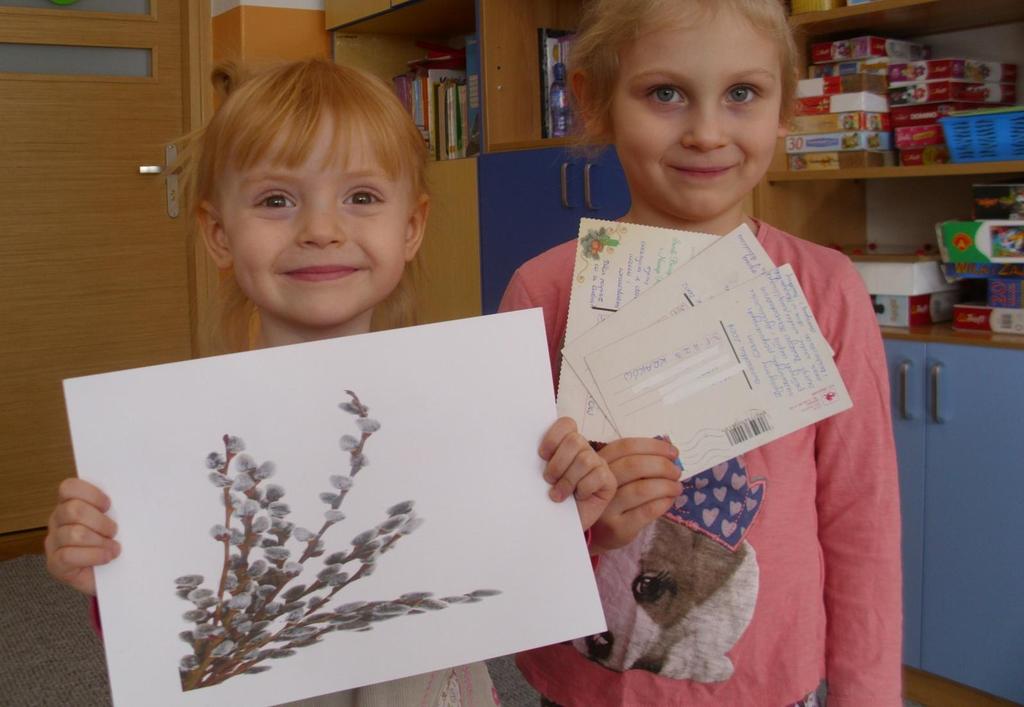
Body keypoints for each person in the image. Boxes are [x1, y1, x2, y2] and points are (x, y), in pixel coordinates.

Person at [43, 57, 616, 707]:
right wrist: (112, 574)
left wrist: (568, 518)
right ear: (217, 233)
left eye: (361, 197)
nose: (320, 230)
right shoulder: (181, 440)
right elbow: (170, 635)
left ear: (411, 227)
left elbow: (503, 573)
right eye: (276, 200)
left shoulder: (465, 407)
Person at [498, 1, 903, 705]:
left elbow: (861, 515)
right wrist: (586, 515)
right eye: (665, 93)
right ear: (594, 100)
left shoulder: (824, 288)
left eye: (742, 94)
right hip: (587, 687)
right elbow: (506, 516)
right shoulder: (546, 289)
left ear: (785, 104)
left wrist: (866, 691)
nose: (707, 132)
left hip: (771, 685)